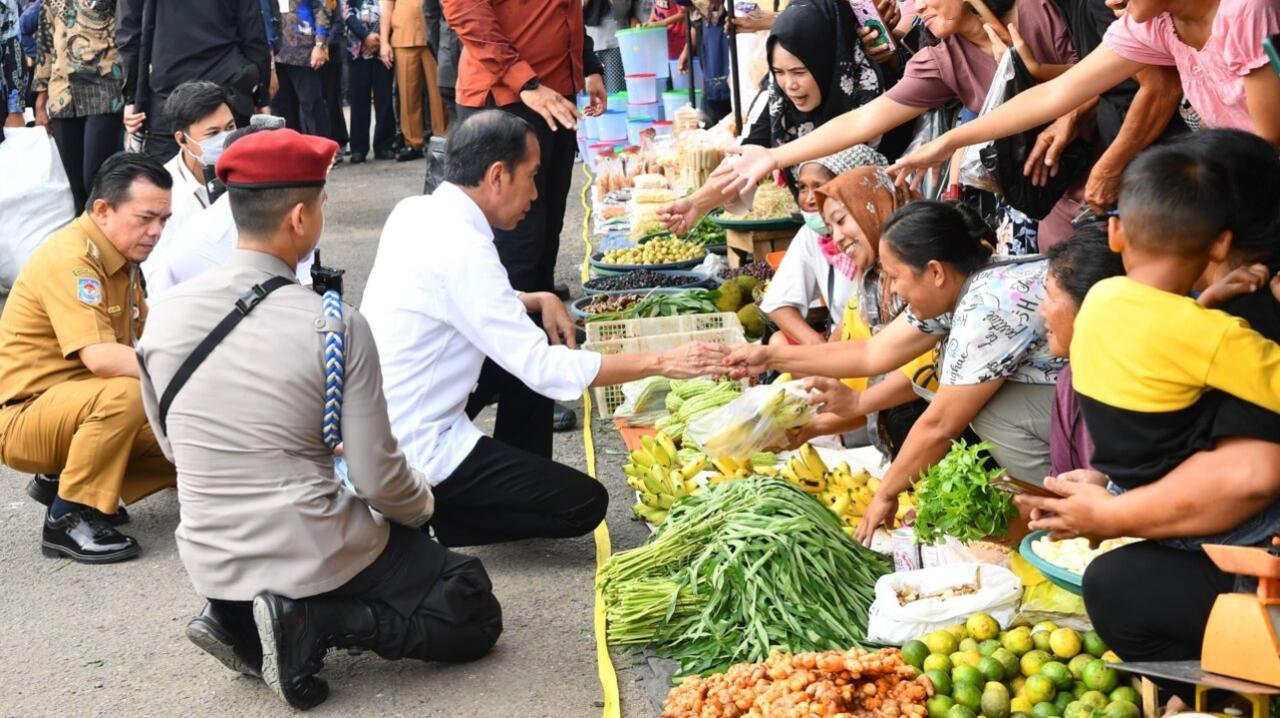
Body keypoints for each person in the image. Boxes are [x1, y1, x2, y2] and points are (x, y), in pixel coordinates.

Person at [136, 128, 501, 712]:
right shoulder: (332, 324)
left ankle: (239, 618)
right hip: (308, 546)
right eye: (324, 203)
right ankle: (318, 617)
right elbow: (379, 478)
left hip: (208, 552)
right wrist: (421, 511)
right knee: (471, 603)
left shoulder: (164, 314)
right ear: (300, 217)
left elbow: (174, 444)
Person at [361, 111, 729, 547]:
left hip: (385, 418)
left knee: (535, 321)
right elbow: (543, 369)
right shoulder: (463, 248)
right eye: (532, 177)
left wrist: (538, 298)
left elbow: (462, 300)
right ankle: (416, 520)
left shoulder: (418, 211)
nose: (535, 193)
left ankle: (508, 470)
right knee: (583, 504)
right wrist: (664, 361)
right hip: (416, 446)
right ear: (497, 175)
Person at [725, 200, 1062, 544]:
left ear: (935, 272)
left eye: (896, 276)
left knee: (986, 410)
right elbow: (873, 353)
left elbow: (940, 425)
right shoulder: (960, 288)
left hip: (1095, 409)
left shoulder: (988, 303)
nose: (893, 289)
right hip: (1065, 403)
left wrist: (886, 494)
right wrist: (770, 357)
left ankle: (1058, 510)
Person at [682, 0, 1083, 250]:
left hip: (1098, 170)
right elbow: (864, 118)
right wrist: (773, 156)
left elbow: (1101, 80)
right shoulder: (941, 59)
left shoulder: (1035, 12)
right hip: (1043, 197)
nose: (918, 7)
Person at [0, 153, 176, 563]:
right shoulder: (73, 259)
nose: (156, 232)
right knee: (131, 392)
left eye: (164, 220)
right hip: (23, 417)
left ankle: (67, 476)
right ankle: (68, 515)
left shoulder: (123, 258)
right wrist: (187, 373)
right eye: (146, 218)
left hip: (75, 404)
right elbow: (102, 358)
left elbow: (146, 341)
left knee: (191, 442)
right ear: (102, 210)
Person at [891, 0, 1280, 183]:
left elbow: (1267, 142)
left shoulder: (1245, 12)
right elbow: (1056, 94)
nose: (1111, 1)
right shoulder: (1153, 23)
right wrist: (949, 142)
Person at [791, 165, 939, 460]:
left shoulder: (928, 280)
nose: (837, 238)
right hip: (899, 454)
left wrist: (768, 358)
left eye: (842, 220)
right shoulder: (868, 291)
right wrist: (807, 428)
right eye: (830, 227)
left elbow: (917, 377)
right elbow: (856, 395)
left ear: (875, 207)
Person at [143, 123, 316, 298]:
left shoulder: (281, 215)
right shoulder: (192, 247)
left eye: (230, 126)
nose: (222, 137)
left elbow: (305, 282)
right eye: (213, 132)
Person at [760, 146, 887, 346]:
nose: (810, 198)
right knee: (779, 342)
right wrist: (819, 349)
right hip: (850, 347)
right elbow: (778, 302)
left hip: (882, 355)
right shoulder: (814, 236)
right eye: (802, 187)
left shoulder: (893, 250)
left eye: (818, 187)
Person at [116, 0, 273, 162]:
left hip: (171, 90)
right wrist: (261, 95)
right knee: (234, 172)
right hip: (224, 84)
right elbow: (252, 28)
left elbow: (129, 32)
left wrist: (132, 98)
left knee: (169, 179)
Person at [33, 0, 125, 214]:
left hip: (103, 91)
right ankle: (85, 237)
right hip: (62, 95)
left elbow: (128, 32)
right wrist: (40, 100)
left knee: (95, 176)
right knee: (73, 182)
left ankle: (107, 234)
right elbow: (45, 45)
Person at [142, 82, 238, 287]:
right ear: (182, 140)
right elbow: (158, 276)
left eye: (230, 128)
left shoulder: (250, 174)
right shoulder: (162, 193)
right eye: (213, 134)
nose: (225, 139)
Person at [378, 0, 447, 161]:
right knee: (408, 95)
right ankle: (413, 143)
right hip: (403, 36)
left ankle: (443, 139)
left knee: (439, 94)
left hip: (433, 34)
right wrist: (384, 42)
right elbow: (386, 8)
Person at [271, 0, 332, 138]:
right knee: (282, 111)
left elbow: (322, 9)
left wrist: (320, 44)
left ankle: (323, 153)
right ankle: (292, 154)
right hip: (275, 55)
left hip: (304, 53)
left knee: (312, 106)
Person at [345, 0, 396, 162]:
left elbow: (389, 9)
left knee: (384, 98)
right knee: (359, 100)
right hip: (356, 49)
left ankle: (384, 145)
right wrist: (365, 36)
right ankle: (358, 148)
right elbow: (345, 11)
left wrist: (381, 39)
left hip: (383, 47)